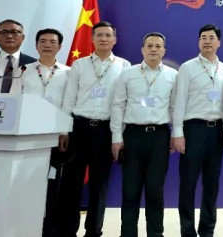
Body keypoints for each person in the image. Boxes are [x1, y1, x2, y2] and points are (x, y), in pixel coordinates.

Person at [58, 21, 131, 237]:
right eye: (99, 35)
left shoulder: (124, 66)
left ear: (114, 39)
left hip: (105, 130)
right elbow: (69, 97)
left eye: (108, 35)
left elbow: (124, 102)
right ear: (92, 39)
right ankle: (67, 230)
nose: (103, 39)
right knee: (71, 182)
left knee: (100, 184)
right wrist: (65, 129)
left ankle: (93, 231)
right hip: (79, 128)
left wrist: (118, 134)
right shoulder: (79, 65)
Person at [111, 32, 177, 237]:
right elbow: (118, 106)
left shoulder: (173, 76)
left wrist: (175, 134)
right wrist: (116, 138)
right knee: (130, 190)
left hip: (159, 137)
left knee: (155, 190)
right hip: (132, 136)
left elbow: (175, 108)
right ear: (142, 49)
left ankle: (155, 234)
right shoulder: (128, 74)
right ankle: (128, 233)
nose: (154, 49)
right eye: (150, 46)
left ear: (164, 51)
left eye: (158, 46)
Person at [10, 28, 70, 237]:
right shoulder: (23, 71)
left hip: (55, 135)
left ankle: (49, 230)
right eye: (43, 41)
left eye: (52, 42)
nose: (47, 45)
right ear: (36, 46)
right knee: (25, 183)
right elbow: (14, 101)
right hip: (28, 134)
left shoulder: (69, 72)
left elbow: (69, 103)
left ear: (59, 47)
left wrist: (65, 131)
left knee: (52, 185)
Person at [172, 24, 223, 237]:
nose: (207, 41)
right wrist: (178, 133)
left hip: (217, 131)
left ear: (218, 42)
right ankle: (187, 230)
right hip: (193, 130)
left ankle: (207, 230)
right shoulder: (187, 68)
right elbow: (179, 101)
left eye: (211, 37)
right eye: (203, 37)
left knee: (211, 183)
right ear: (198, 42)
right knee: (188, 183)